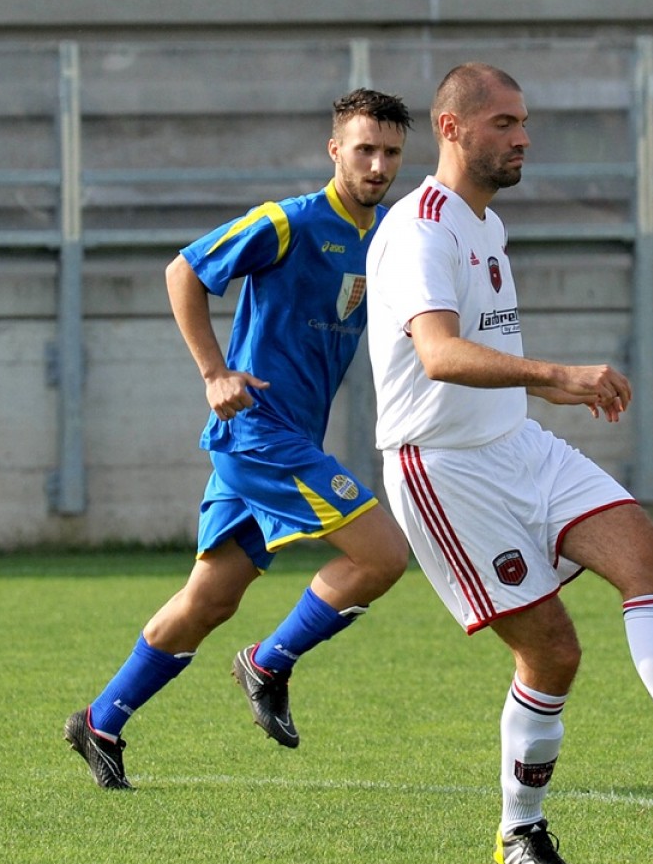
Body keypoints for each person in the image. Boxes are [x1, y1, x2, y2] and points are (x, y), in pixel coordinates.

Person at [365, 63, 653, 864]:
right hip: (445, 471)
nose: (522, 137)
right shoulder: (420, 228)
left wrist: (542, 391)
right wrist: (556, 376)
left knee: (652, 561)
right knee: (552, 655)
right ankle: (520, 832)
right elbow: (436, 355)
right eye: (503, 122)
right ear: (451, 127)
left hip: (516, 446)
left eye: (523, 122)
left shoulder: (484, 226)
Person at [63, 88, 414, 789]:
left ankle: (100, 722)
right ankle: (268, 663)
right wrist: (213, 370)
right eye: (364, 149)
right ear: (335, 150)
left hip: (272, 441)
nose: (377, 165)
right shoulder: (289, 222)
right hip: (260, 436)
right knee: (381, 556)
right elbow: (184, 270)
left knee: (209, 599)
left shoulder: (388, 240)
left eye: (391, 153)